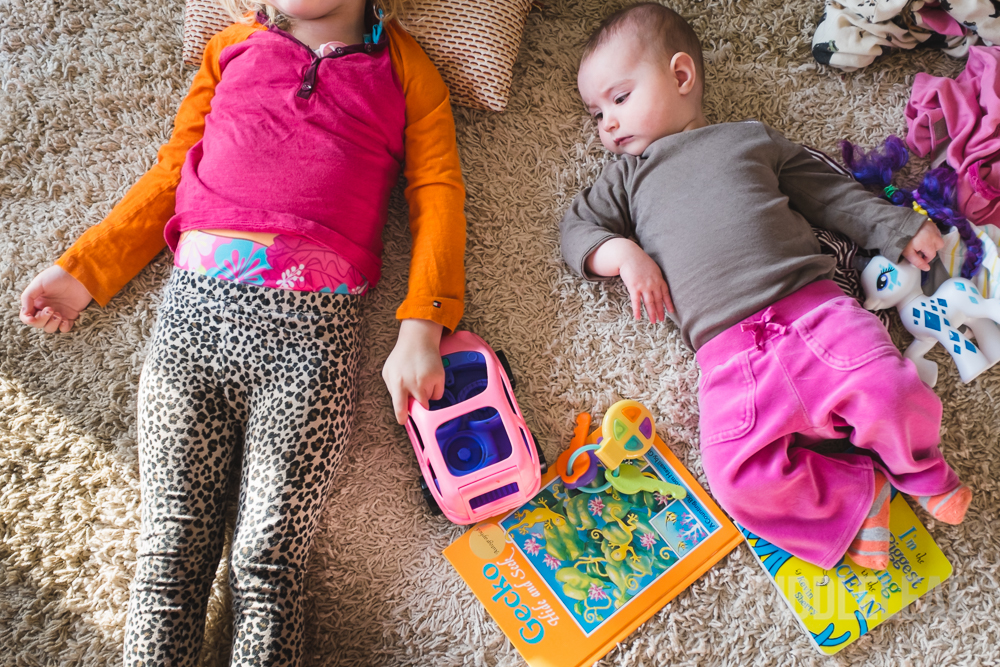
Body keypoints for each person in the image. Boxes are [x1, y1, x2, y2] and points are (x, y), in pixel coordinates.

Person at [18, 0, 466, 664]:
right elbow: (174, 171)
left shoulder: (406, 69)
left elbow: (439, 189)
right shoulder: (231, 48)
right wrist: (86, 269)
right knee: (170, 551)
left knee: (268, 563)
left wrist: (422, 324)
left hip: (310, 342)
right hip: (192, 323)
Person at [560, 2, 972, 572]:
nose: (606, 123)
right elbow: (576, 229)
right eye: (595, 112)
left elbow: (831, 194)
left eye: (619, 98)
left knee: (892, 390)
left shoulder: (749, 139)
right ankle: (854, 499)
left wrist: (897, 227)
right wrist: (623, 254)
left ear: (681, 76)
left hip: (816, 316)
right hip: (728, 360)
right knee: (734, 480)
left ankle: (921, 470)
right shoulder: (625, 178)